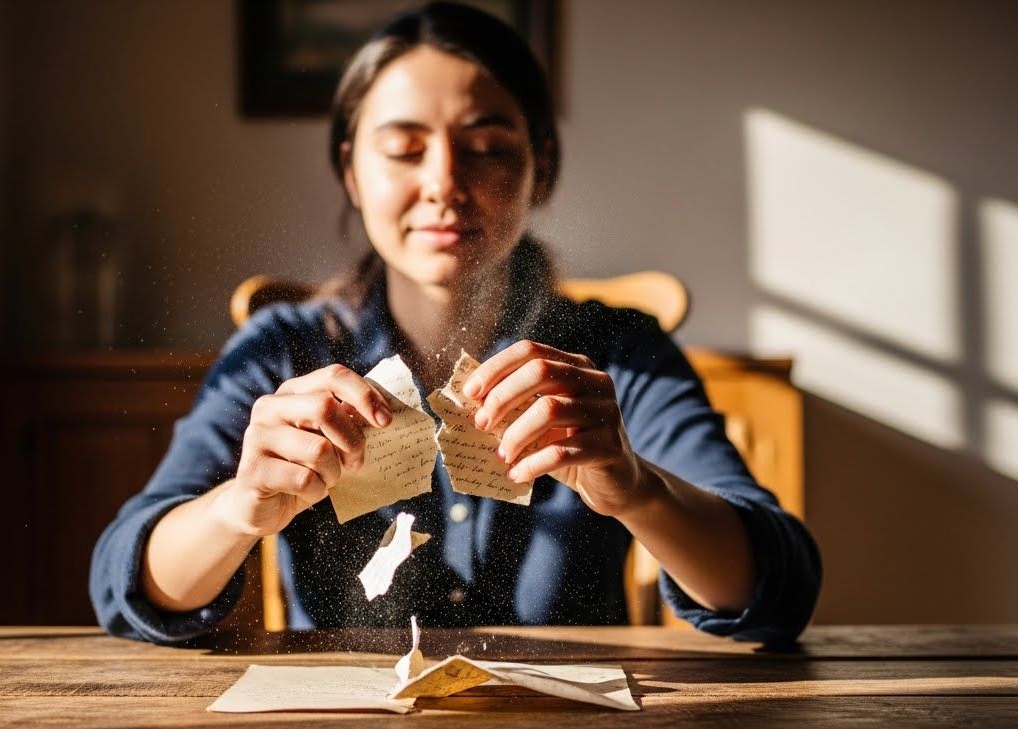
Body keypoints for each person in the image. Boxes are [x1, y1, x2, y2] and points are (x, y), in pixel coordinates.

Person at [90, 1, 820, 645]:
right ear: (352, 171)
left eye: (487, 149)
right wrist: (238, 510)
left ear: (541, 166)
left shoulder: (616, 354)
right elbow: (125, 585)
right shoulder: (283, 353)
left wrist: (636, 490)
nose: (444, 183)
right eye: (403, 149)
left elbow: (778, 590)